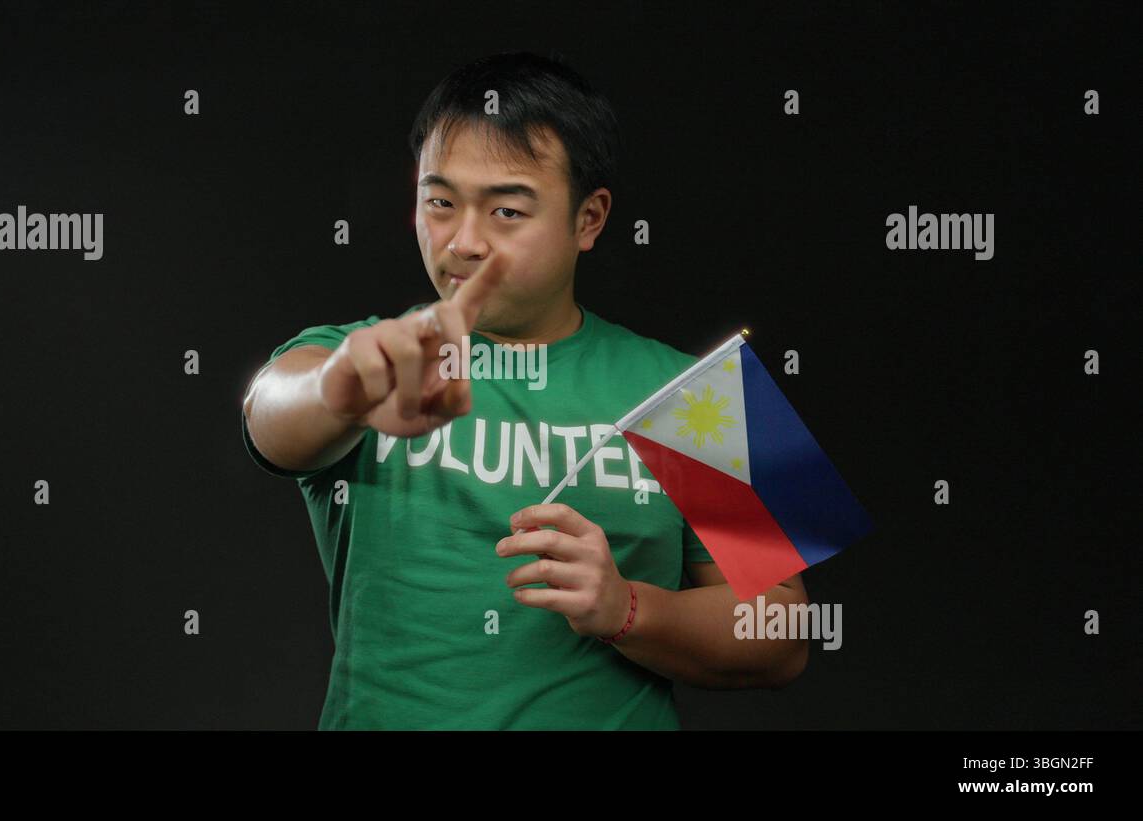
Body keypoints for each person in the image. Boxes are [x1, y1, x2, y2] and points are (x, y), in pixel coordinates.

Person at [241, 51, 809, 730]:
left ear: (590, 218)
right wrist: (345, 393)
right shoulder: (365, 355)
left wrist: (628, 607)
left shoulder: (699, 389)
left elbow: (785, 631)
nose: (465, 242)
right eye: (440, 203)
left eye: (507, 210)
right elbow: (266, 413)